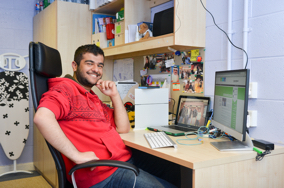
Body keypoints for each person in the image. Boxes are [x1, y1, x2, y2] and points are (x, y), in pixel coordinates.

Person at [33, 44, 180, 188]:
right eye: (89, 63)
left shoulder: (90, 96)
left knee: (174, 168)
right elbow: (42, 117)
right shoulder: (65, 89)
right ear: (75, 65)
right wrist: (76, 155)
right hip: (103, 173)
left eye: (100, 65)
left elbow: (123, 128)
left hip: (121, 161)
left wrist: (115, 95)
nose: (96, 70)